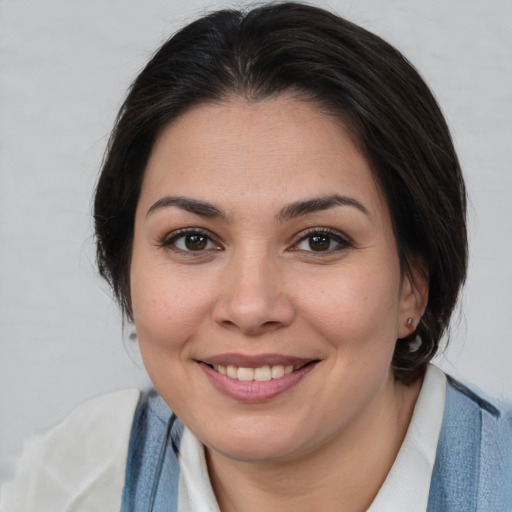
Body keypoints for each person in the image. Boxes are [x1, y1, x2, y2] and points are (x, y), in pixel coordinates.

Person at [2, 2, 511, 511]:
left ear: (413, 284)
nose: (249, 308)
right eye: (193, 240)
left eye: (319, 241)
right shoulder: (72, 481)